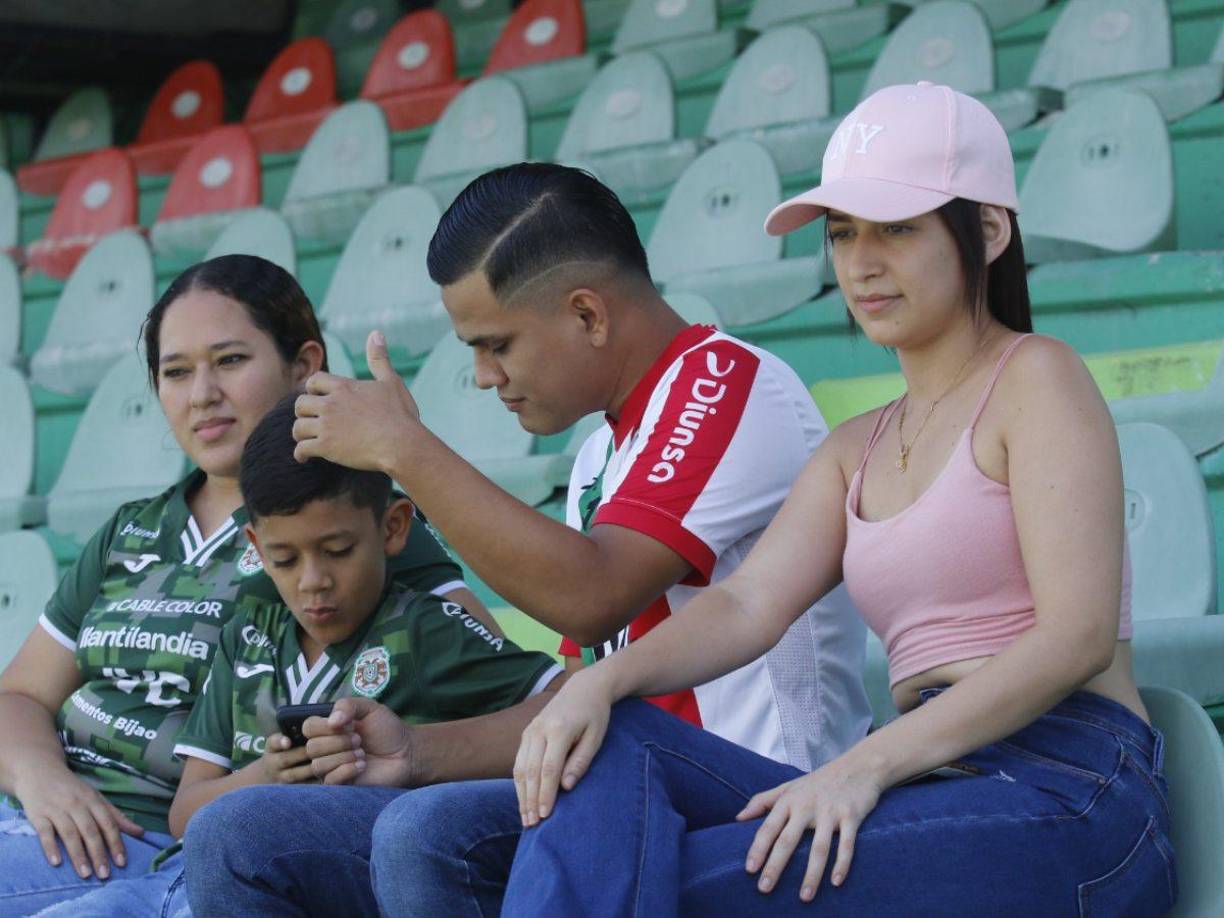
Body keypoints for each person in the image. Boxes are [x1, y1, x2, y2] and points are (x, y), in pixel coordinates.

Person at [500, 82, 1176, 915]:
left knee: (679, 884)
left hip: (1068, 781)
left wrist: (862, 766)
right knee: (614, 735)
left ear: (989, 231)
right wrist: (597, 686)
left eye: (897, 228)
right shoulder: (852, 446)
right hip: (924, 780)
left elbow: (1075, 637)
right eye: (843, 232)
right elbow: (747, 602)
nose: (861, 261)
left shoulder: (1038, 378)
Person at [182, 164, 871, 916]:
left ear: (587, 315)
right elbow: (583, 694)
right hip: (619, 791)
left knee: (427, 834)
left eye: (496, 344)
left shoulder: (725, 381)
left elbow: (592, 596)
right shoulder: (598, 458)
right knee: (238, 835)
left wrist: (405, 449)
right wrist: (414, 751)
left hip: (752, 798)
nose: (482, 376)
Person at [0, 256, 493, 915]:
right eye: (176, 372)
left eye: (229, 360)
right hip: (53, 822)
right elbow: (22, 694)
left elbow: (483, 670)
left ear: (304, 366)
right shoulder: (129, 531)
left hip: (179, 846)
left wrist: (406, 451)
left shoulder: (344, 526)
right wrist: (41, 779)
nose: (201, 392)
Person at [32, 396, 564, 916]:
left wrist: (424, 755)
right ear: (256, 548)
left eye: (338, 551)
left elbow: (562, 701)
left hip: (367, 869)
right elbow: (185, 814)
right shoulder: (247, 637)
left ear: (393, 528)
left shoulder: (425, 628)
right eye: (284, 559)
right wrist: (268, 775)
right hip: (198, 879)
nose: (314, 582)